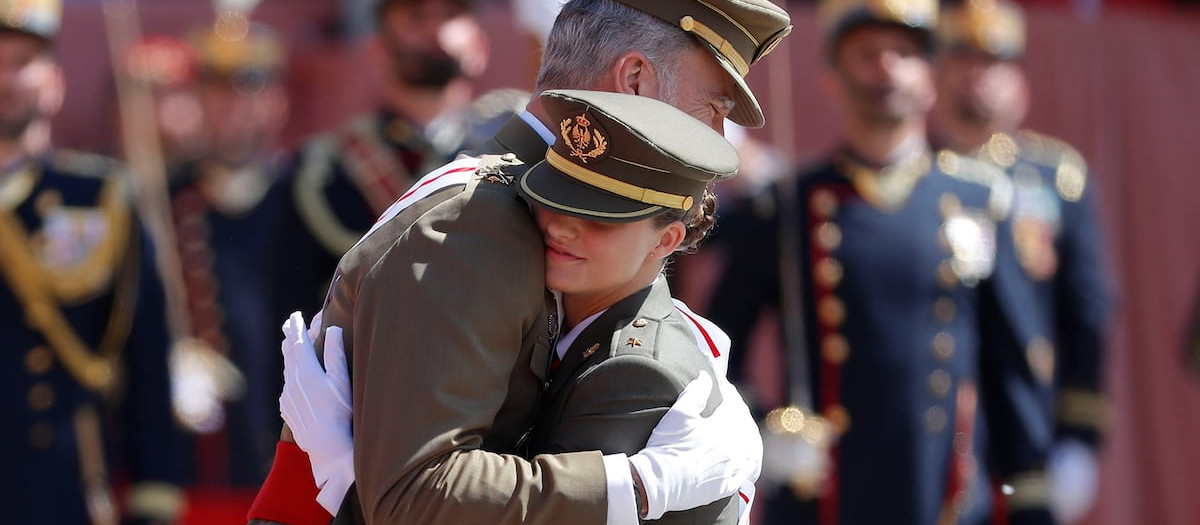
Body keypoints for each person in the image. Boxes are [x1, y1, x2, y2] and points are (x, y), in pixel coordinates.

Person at [245, 1, 793, 524]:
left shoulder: (510, 205)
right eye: (714, 107)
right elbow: (415, 496)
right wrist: (642, 485)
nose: (716, 138)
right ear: (634, 82)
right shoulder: (484, 226)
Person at [704, 0, 1059, 523]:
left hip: (945, 492)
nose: (886, 69)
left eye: (904, 53)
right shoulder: (789, 205)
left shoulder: (980, 201)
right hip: (825, 496)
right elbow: (716, 346)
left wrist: (1028, 490)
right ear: (832, 75)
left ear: (932, 75)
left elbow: (1013, 365)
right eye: (866, 54)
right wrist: (762, 428)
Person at [0, 1, 183, 523]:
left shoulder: (98, 197)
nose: (5, 78)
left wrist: (154, 492)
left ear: (55, 81)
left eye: (22, 62)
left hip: (61, 488)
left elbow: (146, 355)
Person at [930, 2, 1113, 522]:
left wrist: (1080, 435)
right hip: (937, 420)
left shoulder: (1056, 180)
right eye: (963, 60)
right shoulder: (914, 172)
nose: (977, 77)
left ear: (1018, 79)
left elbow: (1089, 311)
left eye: (994, 62)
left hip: (1030, 426)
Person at [266, 0, 521, 324]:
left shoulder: (516, 151)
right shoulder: (326, 172)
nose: (436, 30)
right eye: (416, 18)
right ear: (377, 51)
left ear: (481, 47)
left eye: (451, 16)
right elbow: (293, 308)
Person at [166, 19, 291, 501]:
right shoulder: (165, 202)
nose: (233, 108)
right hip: (201, 470)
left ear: (276, 102)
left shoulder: (307, 195)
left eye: (249, 91)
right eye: (218, 92)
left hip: (302, 460)